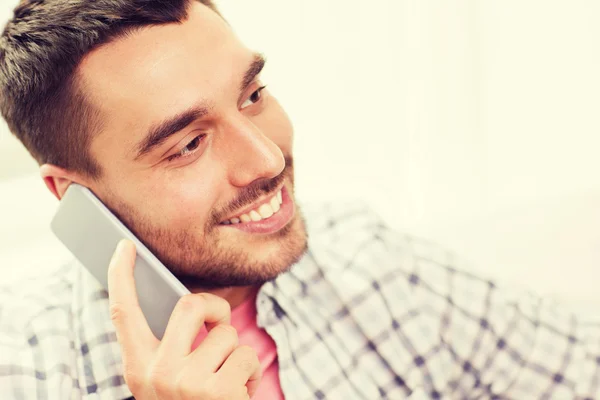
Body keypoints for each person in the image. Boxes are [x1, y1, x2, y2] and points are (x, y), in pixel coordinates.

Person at [0, 0, 598, 398]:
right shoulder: (25, 367)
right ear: (73, 197)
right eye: (188, 144)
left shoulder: (369, 261)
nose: (267, 159)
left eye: (252, 94)